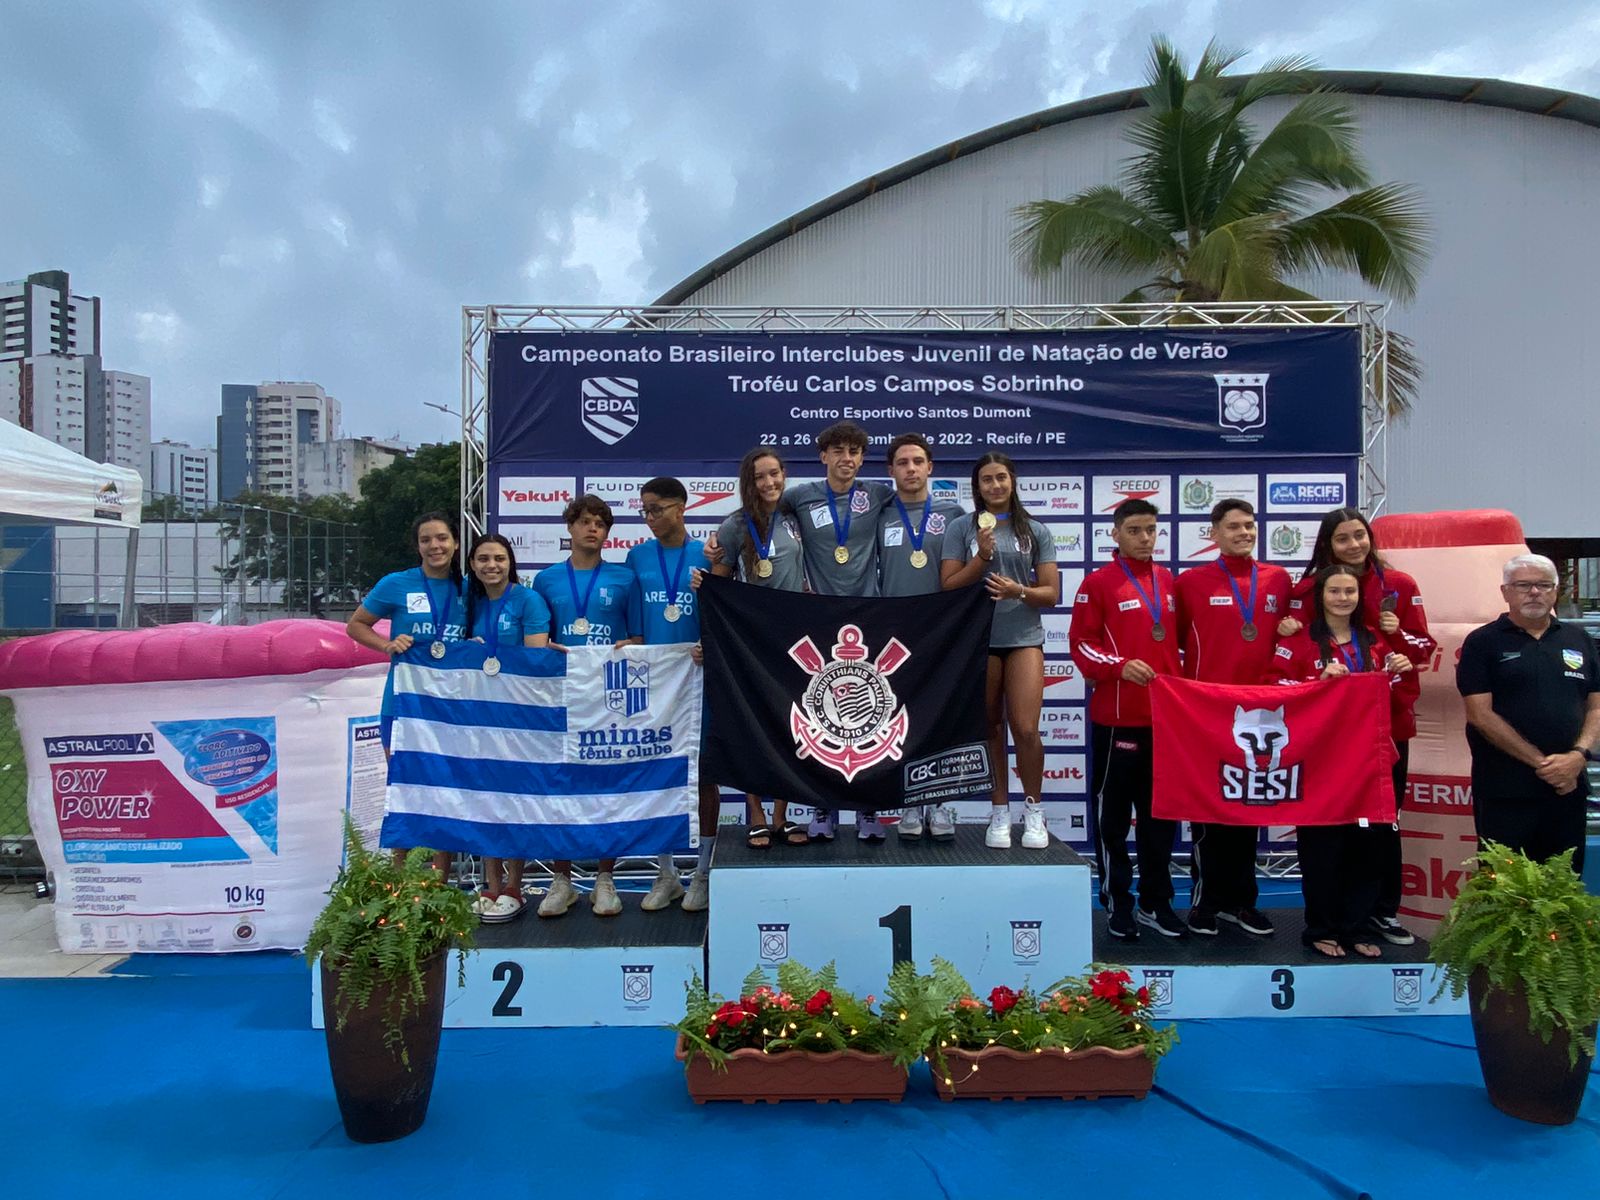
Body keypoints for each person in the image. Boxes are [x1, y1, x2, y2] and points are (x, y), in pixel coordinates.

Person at [1278, 506, 1435, 946]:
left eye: (1359, 536)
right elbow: (1281, 668)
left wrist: (1400, 638)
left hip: (1382, 740)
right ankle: (1326, 923)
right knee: (1325, 837)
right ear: (1328, 546)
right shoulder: (1305, 591)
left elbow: (1421, 653)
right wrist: (1289, 635)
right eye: (1343, 538)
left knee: (1379, 832)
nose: (1353, 545)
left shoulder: (1397, 588)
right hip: (1324, 746)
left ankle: (1373, 916)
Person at [1269, 564, 1414, 959]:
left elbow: (1399, 699)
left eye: (1349, 591)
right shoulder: (1299, 641)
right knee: (1322, 846)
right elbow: (1275, 688)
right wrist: (1316, 684)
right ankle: (1321, 927)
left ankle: (1358, 926)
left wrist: (1400, 672)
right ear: (1321, 596)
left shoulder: (1376, 641)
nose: (1342, 598)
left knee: (1368, 847)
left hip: (1370, 758)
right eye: (1334, 591)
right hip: (1321, 759)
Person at [1174, 499, 1290, 940]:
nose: (1244, 532)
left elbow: (1293, 635)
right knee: (1208, 809)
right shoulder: (1191, 582)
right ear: (1214, 534)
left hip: (1262, 713)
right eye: (1234, 527)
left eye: (1249, 525)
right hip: (1209, 712)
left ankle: (1243, 902)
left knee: (1249, 808)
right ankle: (1206, 902)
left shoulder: (1279, 579)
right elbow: (1174, 641)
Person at [1069, 498, 1180, 939]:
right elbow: (1080, 644)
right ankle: (1118, 904)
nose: (1145, 538)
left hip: (1168, 722)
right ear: (1114, 534)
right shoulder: (1097, 584)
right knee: (1112, 822)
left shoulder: (1171, 582)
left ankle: (1157, 902)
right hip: (1116, 720)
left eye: (1151, 529)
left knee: (1160, 820)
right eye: (1134, 530)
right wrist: (1118, 666)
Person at [779, 420, 892, 839]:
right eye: (839, 451)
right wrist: (722, 542)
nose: (848, 460)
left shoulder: (878, 494)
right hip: (817, 617)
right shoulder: (799, 497)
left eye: (856, 453)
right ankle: (821, 807)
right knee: (818, 712)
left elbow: (922, 510)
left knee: (870, 714)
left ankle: (867, 809)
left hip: (869, 616)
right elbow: (758, 513)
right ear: (822, 456)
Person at [529, 495, 642, 917]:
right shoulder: (546, 581)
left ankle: (604, 878)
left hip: (610, 693)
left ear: (608, 532)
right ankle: (562, 879)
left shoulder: (625, 578)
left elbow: (638, 636)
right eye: (584, 522)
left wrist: (630, 644)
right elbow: (538, 637)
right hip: (562, 692)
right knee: (563, 782)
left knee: (607, 784)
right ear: (570, 528)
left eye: (600, 523)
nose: (592, 529)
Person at [941, 451, 1058, 852]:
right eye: (987, 479)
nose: (995, 485)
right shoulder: (961, 527)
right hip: (979, 638)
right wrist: (983, 557)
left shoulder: (1035, 530)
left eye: (1001, 478)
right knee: (991, 727)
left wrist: (1018, 590)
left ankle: (1034, 810)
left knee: (1025, 728)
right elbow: (950, 585)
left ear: (1012, 481)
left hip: (1024, 637)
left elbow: (1051, 594)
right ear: (977, 487)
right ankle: (999, 811)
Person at [1457, 554, 1600, 873]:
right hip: (1505, 791)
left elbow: (1597, 706)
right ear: (1505, 591)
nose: (1534, 592)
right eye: (1524, 585)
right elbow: (1479, 714)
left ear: (1555, 592)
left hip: (1568, 787)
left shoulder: (1579, 640)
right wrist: (1544, 764)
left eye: (1543, 585)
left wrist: (1577, 757)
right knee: (1505, 889)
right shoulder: (1482, 643)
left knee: (1563, 888)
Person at [346, 510, 466, 877]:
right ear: (418, 546)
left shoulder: (468, 589)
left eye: (442, 538)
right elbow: (355, 625)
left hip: (452, 711)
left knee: (444, 795)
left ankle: (439, 884)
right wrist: (386, 645)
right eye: (426, 539)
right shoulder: (397, 584)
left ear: (456, 542)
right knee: (406, 791)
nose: (435, 546)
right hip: (402, 706)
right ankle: (400, 886)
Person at [709, 446, 810, 848]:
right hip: (751, 638)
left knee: (790, 723)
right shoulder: (734, 526)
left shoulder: (795, 517)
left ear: (784, 475)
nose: (769, 483)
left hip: (796, 635)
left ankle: (783, 816)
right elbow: (718, 581)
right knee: (753, 724)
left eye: (774, 474)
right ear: (748, 483)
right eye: (760, 477)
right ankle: (755, 812)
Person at [627, 477, 720, 913]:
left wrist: (713, 644)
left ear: (682, 507)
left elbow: (724, 615)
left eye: (657, 509)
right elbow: (636, 626)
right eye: (644, 510)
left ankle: (703, 871)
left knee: (704, 776)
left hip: (700, 676)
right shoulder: (637, 556)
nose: (650, 518)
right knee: (658, 774)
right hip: (656, 682)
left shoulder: (708, 553)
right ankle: (667, 873)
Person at [461, 532, 552, 923]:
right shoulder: (468, 601)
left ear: (509, 562)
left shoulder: (528, 600)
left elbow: (535, 657)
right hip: (478, 715)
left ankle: (515, 883)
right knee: (485, 799)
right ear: (472, 565)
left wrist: (490, 653)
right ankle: (489, 883)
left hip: (518, 715)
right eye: (483, 559)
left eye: (498, 558)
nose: (491, 566)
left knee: (513, 799)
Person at [880, 433, 965, 841]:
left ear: (930, 467)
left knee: (941, 714)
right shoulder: (878, 512)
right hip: (894, 626)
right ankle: (910, 803)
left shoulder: (955, 513)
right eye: (902, 462)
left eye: (918, 461)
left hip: (943, 625)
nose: (911, 469)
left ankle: (940, 800)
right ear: (890, 470)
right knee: (901, 716)